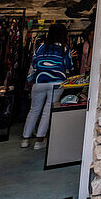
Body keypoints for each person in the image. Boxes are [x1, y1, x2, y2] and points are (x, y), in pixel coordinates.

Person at [22, 22, 73, 150]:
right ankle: (39, 140)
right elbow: (68, 65)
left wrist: (31, 79)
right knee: (47, 111)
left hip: (39, 81)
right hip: (56, 82)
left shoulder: (40, 47)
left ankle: (25, 139)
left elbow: (33, 64)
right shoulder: (64, 48)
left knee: (33, 110)